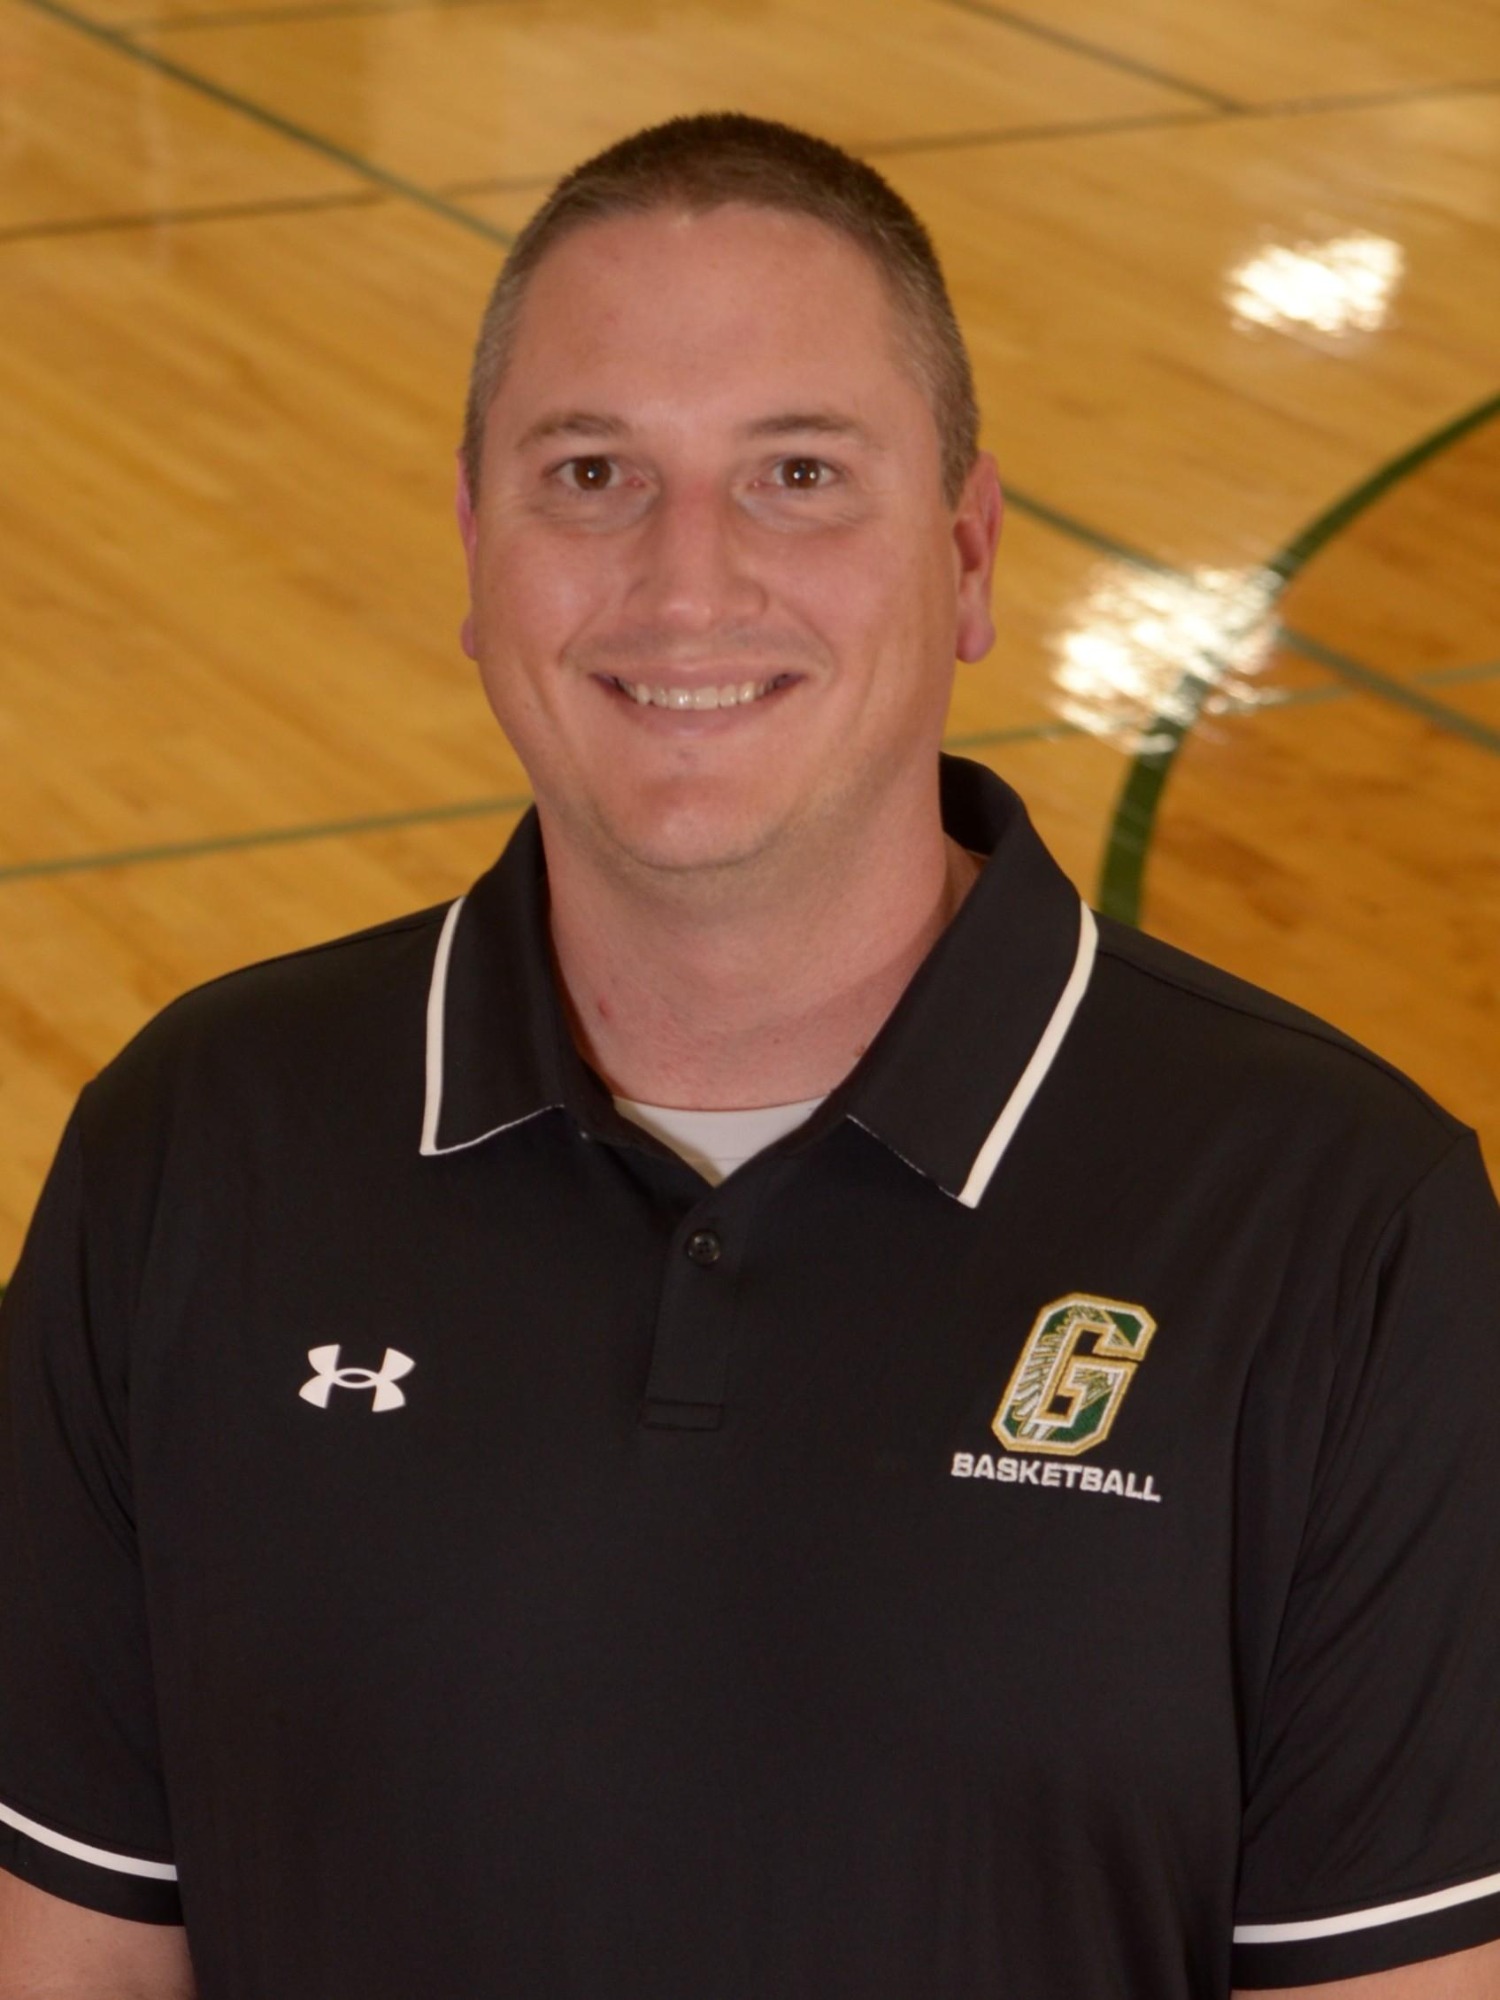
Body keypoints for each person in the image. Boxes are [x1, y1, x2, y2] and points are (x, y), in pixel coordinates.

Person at [1, 113, 1497, 2000]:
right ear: (476, 553)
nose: (686, 580)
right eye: (591, 473)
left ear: (966, 555)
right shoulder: (192, 1144)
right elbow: (75, 1955)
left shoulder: (1343, 1223)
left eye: (799, 473)